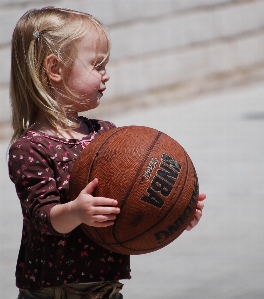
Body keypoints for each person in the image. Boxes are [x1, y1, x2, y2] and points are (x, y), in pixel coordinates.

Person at [8, 6, 206, 299]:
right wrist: (76, 211)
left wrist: (173, 210)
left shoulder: (105, 134)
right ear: (55, 69)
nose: (106, 75)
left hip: (104, 289)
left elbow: (128, 204)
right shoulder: (30, 147)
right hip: (55, 290)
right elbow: (42, 216)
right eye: (97, 65)